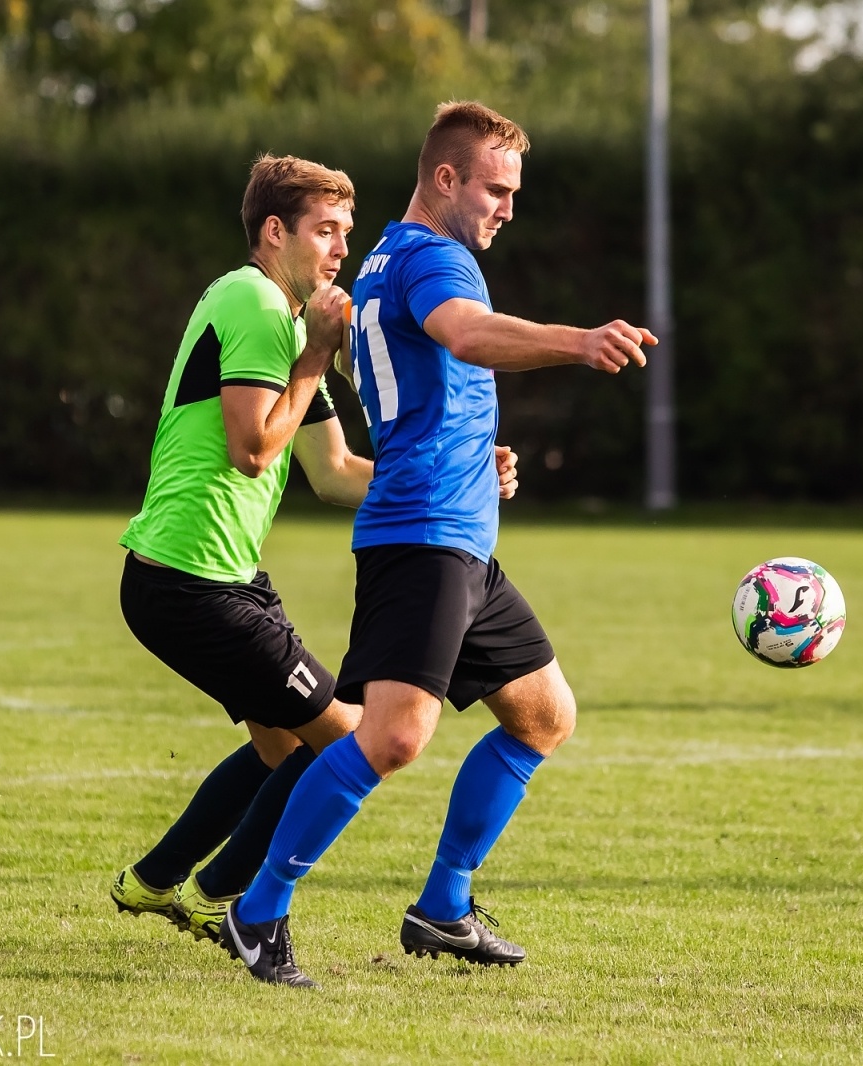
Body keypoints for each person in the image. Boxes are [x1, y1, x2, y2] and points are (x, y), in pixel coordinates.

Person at [219, 100, 656, 987]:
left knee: (544, 717)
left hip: (455, 531)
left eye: (513, 192)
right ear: (446, 178)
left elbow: (411, 378)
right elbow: (463, 333)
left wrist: (468, 446)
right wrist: (578, 340)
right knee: (391, 738)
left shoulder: (382, 259)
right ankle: (256, 910)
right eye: (495, 188)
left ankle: (443, 909)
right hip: (423, 536)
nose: (506, 207)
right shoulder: (431, 257)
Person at [109, 154, 373, 943]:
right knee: (349, 742)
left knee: (280, 741)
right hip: (191, 583)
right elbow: (255, 449)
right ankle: (224, 896)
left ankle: (154, 882)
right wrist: (320, 352)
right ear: (273, 232)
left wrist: (454, 476)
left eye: (346, 234)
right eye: (324, 231)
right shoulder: (257, 301)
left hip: (216, 579)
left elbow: (334, 476)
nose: (340, 250)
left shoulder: (288, 322)